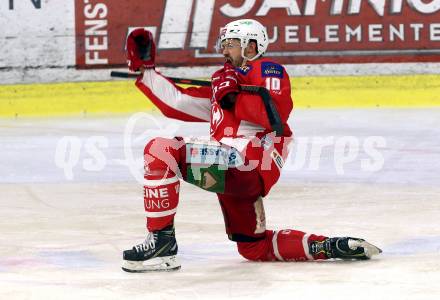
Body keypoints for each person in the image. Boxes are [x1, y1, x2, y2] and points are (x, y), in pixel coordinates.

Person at [122, 19, 381, 272]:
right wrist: (147, 71)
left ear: (251, 47)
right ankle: (330, 246)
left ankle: (162, 243)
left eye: (231, 43)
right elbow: (177, 102)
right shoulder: (226, 80)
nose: (224, 50)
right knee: (253, 248)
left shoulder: (268, 70)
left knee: (160, 150)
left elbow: (274, 116)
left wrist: (232, 94)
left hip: (245, 165)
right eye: (223, 43)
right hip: (235, 178)